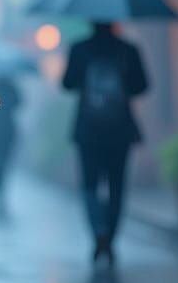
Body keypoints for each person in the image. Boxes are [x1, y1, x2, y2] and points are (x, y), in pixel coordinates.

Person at [61, 22, 149, 264]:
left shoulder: (79, 49)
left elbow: (67, 83)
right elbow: (142, 86)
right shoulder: (127, 50)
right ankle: (110, 239)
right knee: (116, 186)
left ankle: (98, 232)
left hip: (87, 129)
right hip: (119, 130)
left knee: (89, 185)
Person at [0, 76, 21, 218]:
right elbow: (20, 104)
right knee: (2, 166)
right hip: (6, 132)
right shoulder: (12, 90)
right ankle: (1, 196)